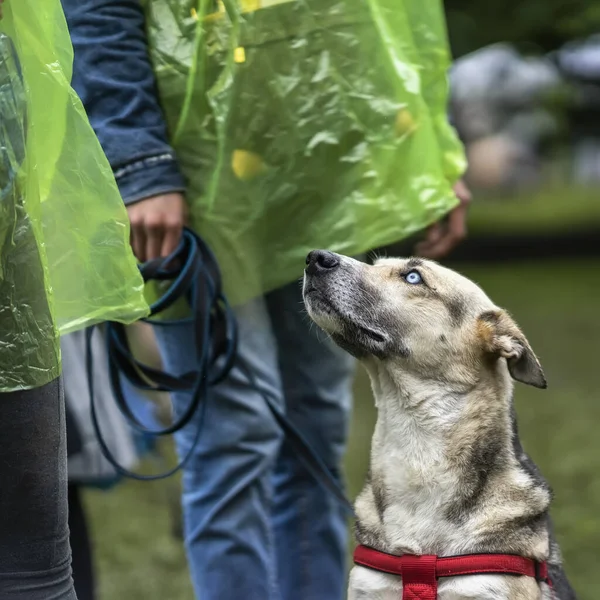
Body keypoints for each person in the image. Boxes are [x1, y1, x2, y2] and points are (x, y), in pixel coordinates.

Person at [61, 1, 470, 599]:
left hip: (325, 174)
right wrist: (140, 166)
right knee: (232, 439)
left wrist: (434, 152)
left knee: (314, 432)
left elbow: (402, 22)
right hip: (196, 179)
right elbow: (99, 11)